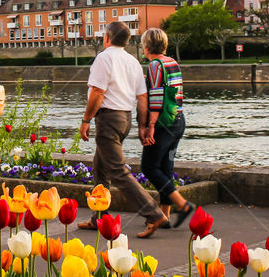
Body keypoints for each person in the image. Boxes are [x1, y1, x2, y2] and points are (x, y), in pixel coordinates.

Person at [76, 21, 169, 238]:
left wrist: (86, 119)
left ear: (107, 38)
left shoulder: (104, 57)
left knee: (117, 171)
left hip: (108, 118)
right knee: (100, 166)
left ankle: (153, 213)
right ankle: (100, 217)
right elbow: (143, 97)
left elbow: (98, 92)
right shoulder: (133, 61)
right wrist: (143, 125)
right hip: (125, 118)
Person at [139, 27, 194, 234]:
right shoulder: (172, 62)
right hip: (178, 120)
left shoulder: (155, 65)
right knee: (165, 167)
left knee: (149, 167)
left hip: (163, 124)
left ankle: (182, 205)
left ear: (146, 46)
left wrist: (151, 126)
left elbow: (155, 99)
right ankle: (165, 216)